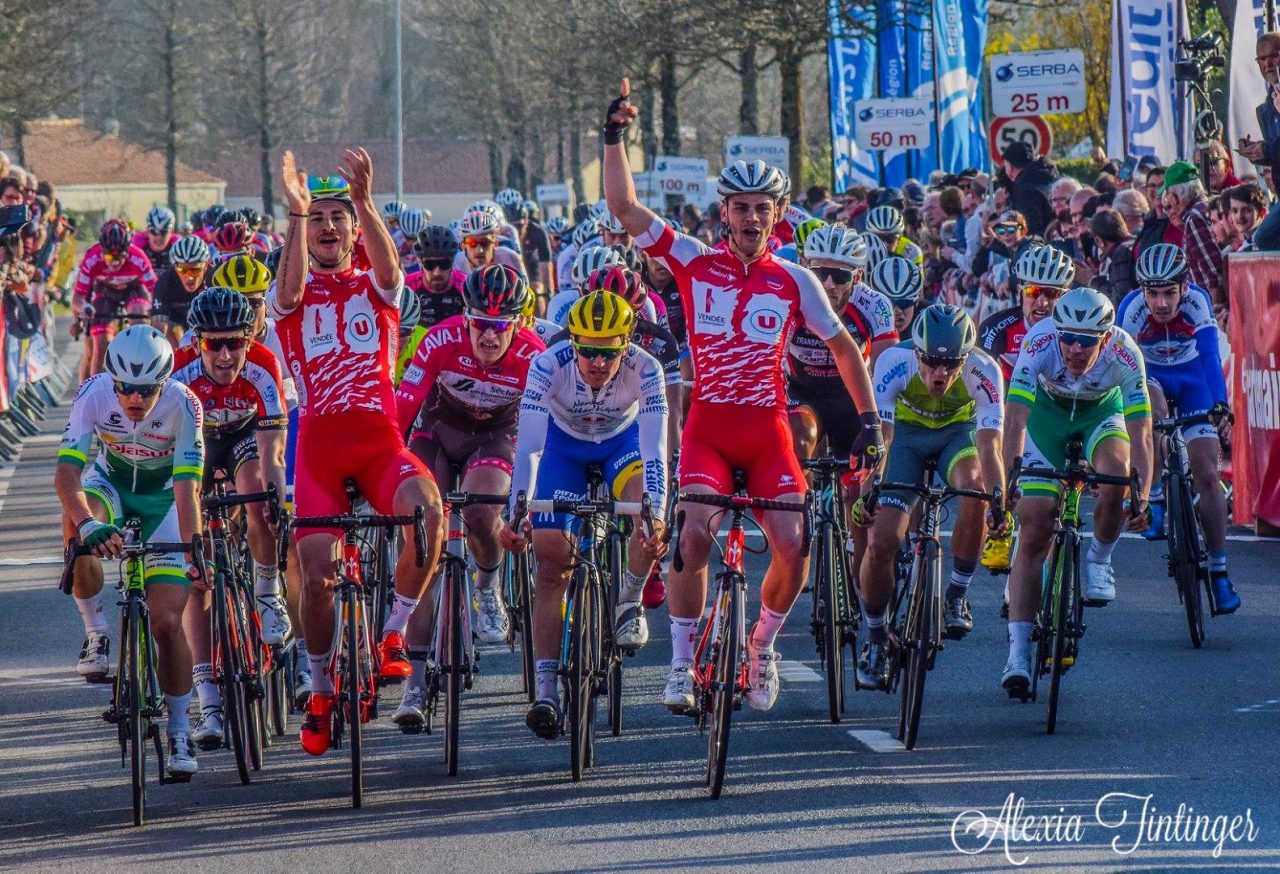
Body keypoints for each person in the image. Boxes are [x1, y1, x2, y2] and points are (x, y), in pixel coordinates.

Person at [599, 79, 882, 714]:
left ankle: (761, 646)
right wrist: (615, 135)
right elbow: (624, 207)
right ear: (723, 212)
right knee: (693, 534)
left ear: (777, 216)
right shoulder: (693, 261)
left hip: (767, 431)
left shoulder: (797, 279)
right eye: (741, 208)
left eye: (763, 209)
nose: (752, 219)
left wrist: (870, 423)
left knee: (795, 543)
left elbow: (843, 350)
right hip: (708, 428)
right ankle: (678, 663)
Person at [270, 151, 444, 756]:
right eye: (317, 217)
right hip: (319, 451)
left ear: (351, 228)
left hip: (378, 446)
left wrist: (366, 201)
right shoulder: (291, 289)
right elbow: (289, 291)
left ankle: (393, 633)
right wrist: (294, 212)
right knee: (316, 580)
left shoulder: (377, 283)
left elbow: (393, 273)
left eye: (336, 218)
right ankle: (319, 689)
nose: (327, 227)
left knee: (426, 507)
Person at [499, 291, 669, 737]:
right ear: (572, 342)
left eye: (607, 351)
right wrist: (517, 511)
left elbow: (654, 451)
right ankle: (547, 687)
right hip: (563, 449)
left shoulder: (646, 368)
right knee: (552, 563)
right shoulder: (547, 366)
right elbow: (531, 449)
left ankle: (629, 598)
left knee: (644, 515)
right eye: (587, 350)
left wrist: (656, 513)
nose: (596, 362)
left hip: (622, 445)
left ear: (626, 343)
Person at [392, 265, 545, 729]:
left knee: (483, 509)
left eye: (502, 327)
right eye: (481, 324)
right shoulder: (439, 340)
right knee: (422, 547)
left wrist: (523, 506)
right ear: (465, 318)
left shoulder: (534, 357)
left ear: (518, 325)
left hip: (496, 438)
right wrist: (385, 472)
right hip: (438, 432)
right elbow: (402, 409)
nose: (491, 336)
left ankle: (487, 588)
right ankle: (414, 683)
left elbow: (540, 440)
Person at [55, 326, 205, 777]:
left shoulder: (184, 403)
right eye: (124, 388)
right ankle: (96, 631)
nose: (132, 398)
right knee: (76, 524)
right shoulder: (93, 393)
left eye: (144, 390)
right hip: (112, 485)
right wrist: (89, 523)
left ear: (163, 382)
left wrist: (193, 550)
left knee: (166, 624)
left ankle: (179, 729)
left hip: (164, 502)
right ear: (111, 380)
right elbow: (67, 472)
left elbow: (187, 486)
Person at [1000, 288, 1152, 694]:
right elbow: (1014, 418)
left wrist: (1143, 492)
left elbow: (1141, 432)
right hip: (1045, 421)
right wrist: (1009, 476)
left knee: (1116, 476)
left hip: (1099, 416)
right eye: (1067, 337)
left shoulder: (1125, 351)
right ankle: (1017, 653)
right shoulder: (1040, 341)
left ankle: (1099, 558)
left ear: (1105, 337)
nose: (1074, 348)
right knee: (1034, 526)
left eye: (1086, 341)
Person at [856, 306, 1006, 687]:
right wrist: (868, 486)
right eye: (931, 363)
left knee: (975, 490)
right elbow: (883, 437)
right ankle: (875, 636)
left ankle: (956, 594)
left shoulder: (984, 370)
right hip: (904, 440)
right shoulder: (893, 361)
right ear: (917, 353)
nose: (940, 373)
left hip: (956, 437)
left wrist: (999, 497)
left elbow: (990, 446)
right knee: (883, 539)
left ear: (966, 358)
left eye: (951, 364)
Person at [173, 288, 290, 749]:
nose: (224, 355)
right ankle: (209, 701)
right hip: (195, 445)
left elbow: (272, 451)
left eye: (234, 343)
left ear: (249, 338)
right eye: (212, 344)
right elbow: (176, 460)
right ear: (197, 341)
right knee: (197, 567)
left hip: (244, 438)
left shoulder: (263, 366)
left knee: (258, 496)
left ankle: (266, 592)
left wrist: (276, 496)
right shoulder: (180, 373)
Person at [1117, 244, 1238, 613]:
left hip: (1192, 379)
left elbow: (1209, 357)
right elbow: (1124, 367)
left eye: (1169, 292)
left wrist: (1220, 404)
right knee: (1150, 409)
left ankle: (1219, 572)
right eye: (1152, 293)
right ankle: (1154, 498)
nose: (1161, 303)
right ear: (1142, 290)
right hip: (1149, 375)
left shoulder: (1198, 302)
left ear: (1185, 287)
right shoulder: (1131, 308)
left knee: (1205, 472)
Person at [787, 224, 896, 462]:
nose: (828, 284)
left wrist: (877, 426)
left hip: (851, 395)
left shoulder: (875, 305)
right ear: (806, 268)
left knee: (860, 473)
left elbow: (887, 370)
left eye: (840, 276)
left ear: (857, 277)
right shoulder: (790, 296)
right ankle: (806, 499)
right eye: (820, 273)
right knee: (799, 441)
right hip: (801, 391)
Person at [73, 219, 159, 378]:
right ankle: (94, 387)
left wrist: (156, 311)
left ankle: (141, 373)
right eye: (109, 256)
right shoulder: (92, 258)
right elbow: (78, 297)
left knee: (139, 318)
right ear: (101, 250)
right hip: (104, 292)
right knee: (100, 344)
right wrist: (84, 309)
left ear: (128, 249)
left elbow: (156, 290)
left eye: (120, 255)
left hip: (133, 289)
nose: (116, 262)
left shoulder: (138, 257)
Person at [1158, 161, 1223, 305]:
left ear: (1174, 197)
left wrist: (1214, 312)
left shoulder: (1194, 219)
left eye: (1168, 195)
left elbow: (1213, 273)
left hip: (1211, 306)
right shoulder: (1205, 208)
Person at [151, 235, 212, 347]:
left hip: (206, 319)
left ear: (206, 266)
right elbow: (158, 328)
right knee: (172, 336)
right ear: (175, 267)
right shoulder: (165, 282)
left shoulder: (214, 278)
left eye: (195, 270)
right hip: (177, 319)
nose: (189, 277)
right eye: (182, 270)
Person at [999, 141, 1058, 236]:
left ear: (1010, 167)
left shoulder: (1024, 191)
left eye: (1005, 164)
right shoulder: (1049, 177)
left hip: (1041, 247)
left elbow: (1030, 231)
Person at [1088, 208, 1137, 305]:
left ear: (1099, 241)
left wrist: (1094, 282)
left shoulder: (1121, 253)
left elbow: (1121, 299)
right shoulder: (1136, 242)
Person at [132, 206, 177, 273]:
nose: (158, 237)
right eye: (153, 231)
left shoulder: (179, 247)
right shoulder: (137, 246)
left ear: (171, 232)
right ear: (147, 231)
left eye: (163, 232)